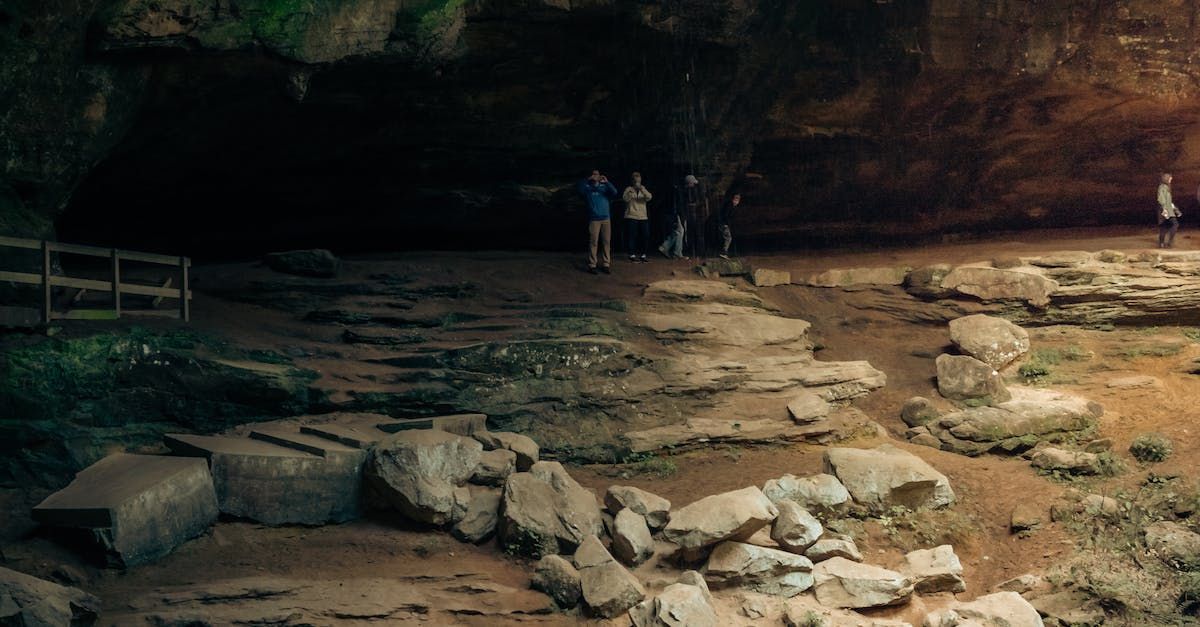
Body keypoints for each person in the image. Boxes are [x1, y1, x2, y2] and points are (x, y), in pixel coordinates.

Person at [577, 170, 619, 273]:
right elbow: (579, 189)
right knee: (593, 242)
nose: (596, 176)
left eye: (597, 174)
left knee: (606, 242)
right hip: (594, 219)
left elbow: (615, 192)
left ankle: (606, 264)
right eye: (594, 174)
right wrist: (588, 179)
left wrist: (607, 182)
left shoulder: (604, 187)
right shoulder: (587, 188)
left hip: (606, 218)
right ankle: (592, 265)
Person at [622, 172, 652, 262]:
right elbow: (625, 199)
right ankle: (632, 254)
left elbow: (649, 197)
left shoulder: (643, 188)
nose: (637, 182)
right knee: (632, 236)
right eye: (635, 180)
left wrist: (642, 189)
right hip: (631, 216)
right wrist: (632, 192)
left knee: (646, 235)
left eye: (639, 180)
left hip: (643, 216)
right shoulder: (629, 189)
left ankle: (643, 255)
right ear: (632, 181)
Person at [1159, 172, 1182, 249]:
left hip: (1168, 209)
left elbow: (1169, 201)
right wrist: (1164, 209)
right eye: (1170, 179)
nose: (1171, 180)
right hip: (1165, 210)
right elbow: (1161, 199)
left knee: (1164, 226)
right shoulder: (1162, 187)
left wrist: (1176, 210)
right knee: (1174, 225)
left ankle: (1162, 243)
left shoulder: (1166, 188)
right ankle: (1168, 242)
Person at [717, 192, 742, 259]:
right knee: (728, 238)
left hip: (724, 223)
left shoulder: (730, 205)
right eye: (737, 199)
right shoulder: (729, 205)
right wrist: (726, 224)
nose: (737, 202)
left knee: (726, 237)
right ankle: (724, 252)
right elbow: (726, 215)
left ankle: (724, 252)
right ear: (734, 199)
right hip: (724, 224)